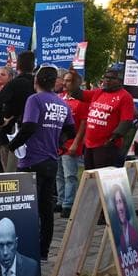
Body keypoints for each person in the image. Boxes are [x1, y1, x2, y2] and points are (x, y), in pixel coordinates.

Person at [7, 66, 75, 258]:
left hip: (31, 160)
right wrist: (58, 143)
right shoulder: (62, 104)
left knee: (26, 208)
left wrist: (13, 145)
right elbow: (71, 130)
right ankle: (43, 251)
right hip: (51, 160)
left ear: (36, 81)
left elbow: (29, 126)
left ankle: (25, 250)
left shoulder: (34, 99)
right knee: (46, 210)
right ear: (54, 83)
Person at [79, 65, 136, 171]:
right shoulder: (98, 92)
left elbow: (127, 120)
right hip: (89, 143)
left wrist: (112, 139)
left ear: (119, 81)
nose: (107, 80)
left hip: (106, 146)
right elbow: (78, 94)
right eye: (106, 77)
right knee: (89, 175)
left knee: (102, 176)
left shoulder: (125, 97)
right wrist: (74, 77)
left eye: (111, 78)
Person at [0, 51, 37, 172]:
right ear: (33, 66)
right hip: (34, 134)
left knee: (11, 176)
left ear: (17, 66)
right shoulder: (38, 84)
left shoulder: (14, 84)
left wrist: (0, 121)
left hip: (12, 133)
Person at [57, 70, 88, 216]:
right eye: (64, 80)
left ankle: (68, 204)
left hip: (71, 143)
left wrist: (76, 143)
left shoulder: (81, 101)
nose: (64, 83)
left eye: (68, 80)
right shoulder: (60, 98)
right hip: (57, 143)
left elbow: (83, 124)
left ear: (76, 83)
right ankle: (60, 200)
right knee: (59, 174)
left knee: (70, 175)